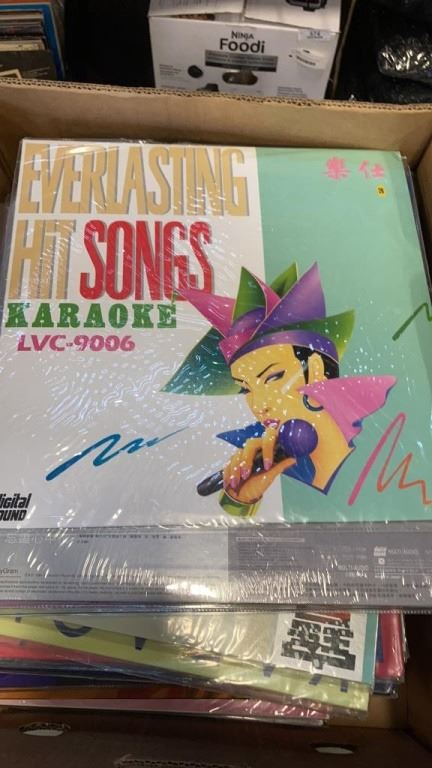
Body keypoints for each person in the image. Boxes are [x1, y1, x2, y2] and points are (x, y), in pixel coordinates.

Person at [164, 263, 396, 517]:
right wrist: (241, 499)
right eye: (246, 389)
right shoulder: (275, 461)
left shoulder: (385, 455)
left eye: (273, 377)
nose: (259, 405)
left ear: (315, 369)